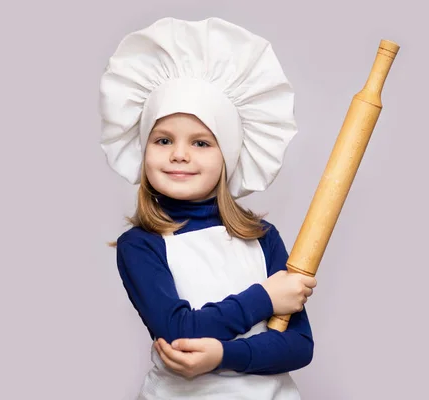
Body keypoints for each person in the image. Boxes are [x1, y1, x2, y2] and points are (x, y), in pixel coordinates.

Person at [98, 17, 317, 399]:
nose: (179, 154)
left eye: (201, 143)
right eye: (163, 140)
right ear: (143, 149)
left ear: (227, 156)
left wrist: (222, 354)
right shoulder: (141, 245)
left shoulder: (262, 238)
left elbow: (299, 346)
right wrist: (266, 298)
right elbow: (180, 332)